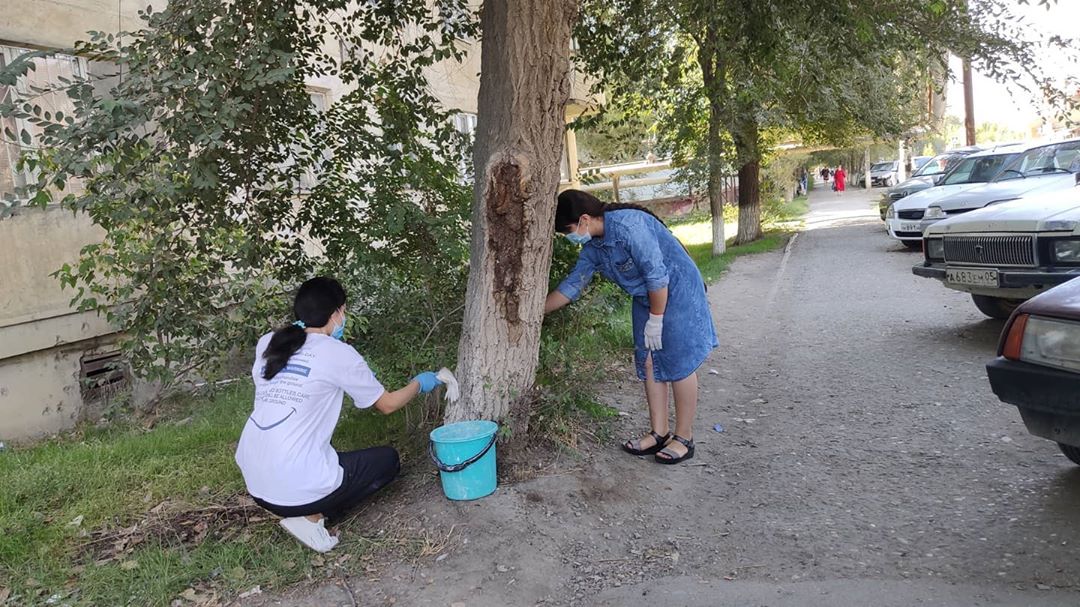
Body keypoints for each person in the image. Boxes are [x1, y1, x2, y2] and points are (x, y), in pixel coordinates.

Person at [235, 277, 446, 552]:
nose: (343, 317)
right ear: (336, 313)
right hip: (294, 486)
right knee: (387, 461)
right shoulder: (338, 353)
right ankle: (311, 518)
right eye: (343, 311)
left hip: (257, 484)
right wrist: (421, 383)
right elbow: (387, 404)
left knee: (325, 456)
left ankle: (303, 507)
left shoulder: (268, 343)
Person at [544, 190, 719, 464]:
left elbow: (657, 276)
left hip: (677, 290)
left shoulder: (630, 226)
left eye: (568, 230)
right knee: (649, 361)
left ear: (585, 219)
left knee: (679, 363)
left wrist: (657, 319)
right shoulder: (594, 248)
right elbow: (571, 287)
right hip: (646, 297)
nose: (569, 237)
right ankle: (659, 432)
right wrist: (534, 314)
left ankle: (684, 437)